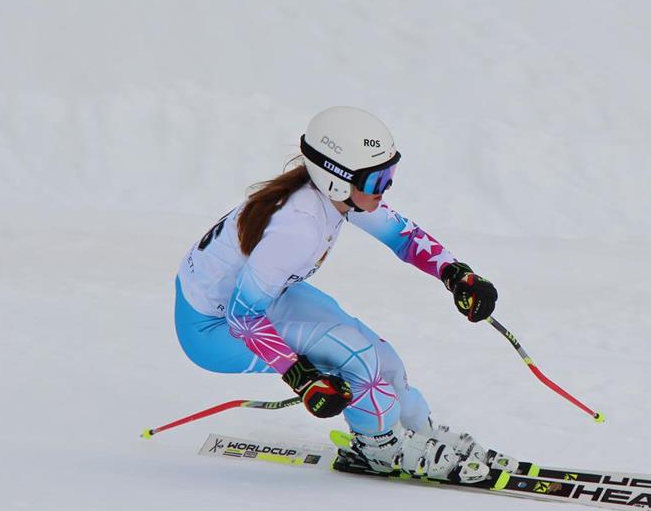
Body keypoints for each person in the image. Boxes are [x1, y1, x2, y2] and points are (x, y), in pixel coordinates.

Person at [175, 106, 510, 484]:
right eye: (377, 179)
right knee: (356, 359)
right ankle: (380, 448)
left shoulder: (339, 196)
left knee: (383, 359)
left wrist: (456, 274)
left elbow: (403, 237)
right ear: (335, 179)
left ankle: (416, 430)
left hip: (263, 300)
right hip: (212, 327)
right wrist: (302, 377)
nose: (385, 188)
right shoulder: (298, 227)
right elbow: (243, 317)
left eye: (389, 174)